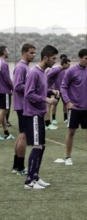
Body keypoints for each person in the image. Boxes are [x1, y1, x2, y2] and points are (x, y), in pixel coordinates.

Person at [24, 45, 59, 189]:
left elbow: (40, 90)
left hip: (39, 114)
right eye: (53, 58)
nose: (55, 61)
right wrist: (46, 100)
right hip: (32, 114)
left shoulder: (44, 72)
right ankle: (29, 182)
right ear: (45, 58)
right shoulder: (34, 73)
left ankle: (36, 177)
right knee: (37, 146)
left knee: (42, 146)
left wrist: (51, 92)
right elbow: (29, 94)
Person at [61, 49, 87, 166]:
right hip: (74, 108)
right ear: (79, 58)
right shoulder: (71, 71)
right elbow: (63, 87)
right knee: (71, 132)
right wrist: (67, 102)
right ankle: (68, 157)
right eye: (86, 58)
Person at [11, 43, 36, 175]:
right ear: (24, 53)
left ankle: (16, 165)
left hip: (23, 106)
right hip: (23, 106)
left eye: (34, 53)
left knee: (21, 135)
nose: (34, 55)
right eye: (31, 53)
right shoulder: (21, 67)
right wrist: (32, 88)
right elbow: (18, 86)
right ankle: (20, 167)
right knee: (23, 136)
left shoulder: (25, 67)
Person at [44, 56, 71, 130]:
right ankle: (47, 124)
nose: (69, 66)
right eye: (68, 64)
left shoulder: (59, 70)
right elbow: (46, 76)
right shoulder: (57, 69)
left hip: (48, 88)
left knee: (48, 105)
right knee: (47, 105)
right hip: (46, 89)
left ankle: (47, 123)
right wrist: (48, 88)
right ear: (64, 64)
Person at [0, 45, 15, 140]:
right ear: (4, 52)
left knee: (3, 113)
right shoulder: (4, 64)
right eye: (7, 50)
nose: (8, 52)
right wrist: (13, 88)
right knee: (4, 112)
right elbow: (7, 79)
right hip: (4, 90)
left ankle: (6, 133)